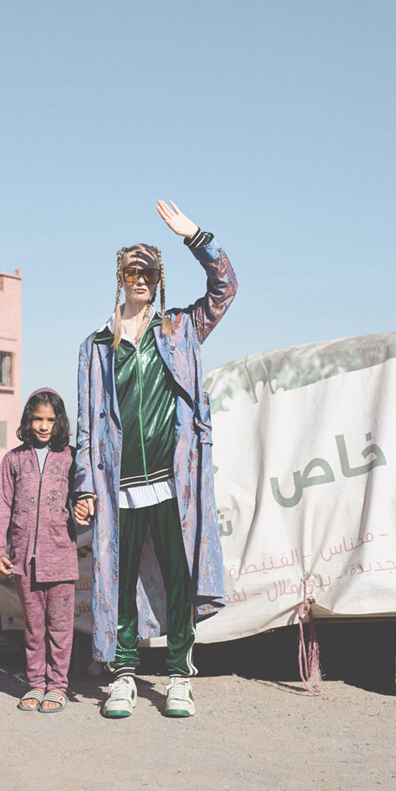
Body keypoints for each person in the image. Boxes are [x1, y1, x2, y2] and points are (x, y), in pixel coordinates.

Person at [73, 200, 237, 718]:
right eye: (131, 271)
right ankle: (122, 675)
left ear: (159, 278)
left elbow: (225, 289)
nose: (139, 278)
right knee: (117, 584)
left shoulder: (179, 329)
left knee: (180, 579)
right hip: (116, 486)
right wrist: (82, 485)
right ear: (119, 278)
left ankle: (178, 676)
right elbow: (85, 423)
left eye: (148, 271)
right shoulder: (97, 346)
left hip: (174, 483)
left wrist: (197, 237)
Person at [0, 388, 77, 713]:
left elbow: (85, 494)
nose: (44, 426)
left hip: (61, 559)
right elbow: (2, 505)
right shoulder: (13, 460)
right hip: (23, 560)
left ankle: (57, 686)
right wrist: (0, 548)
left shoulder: (71, 457)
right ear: (28, 420)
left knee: (59, 627)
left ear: (59, 423)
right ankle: (35, 684)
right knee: (33, 628)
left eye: (50, 420)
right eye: (38, 419)